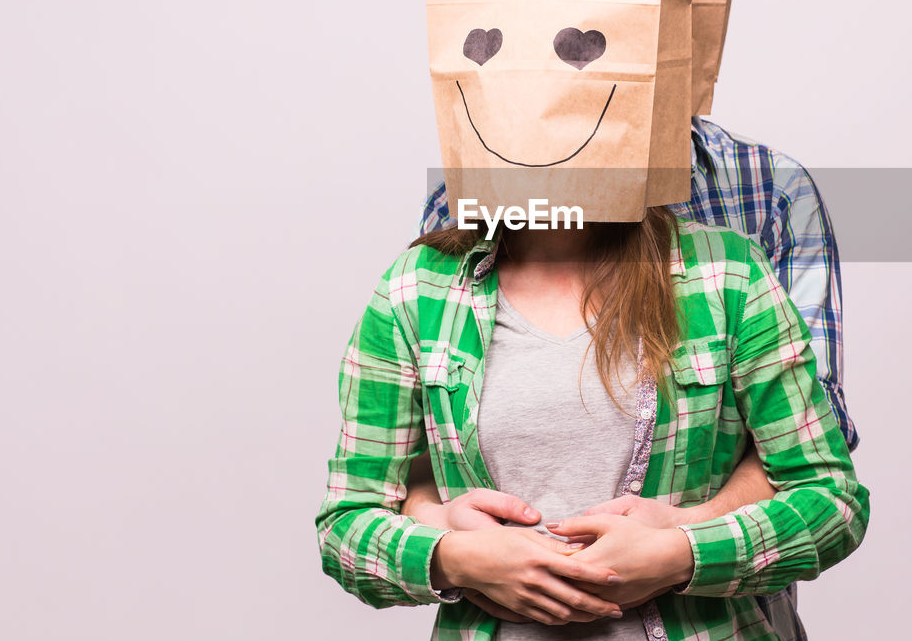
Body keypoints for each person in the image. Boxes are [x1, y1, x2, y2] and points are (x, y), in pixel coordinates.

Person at [315, 207, 869, 640]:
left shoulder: (726, 273)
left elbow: (832, 500)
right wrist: (455, 557)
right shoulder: (416, 289)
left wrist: (683, 552)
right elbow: (345, 525)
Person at [406, 116, 856, 637]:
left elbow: (813, 455)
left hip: (719, 615)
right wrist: (456, 551)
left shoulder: (763, 202)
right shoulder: (454, 220)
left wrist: (680, 545)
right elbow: (429, 445)